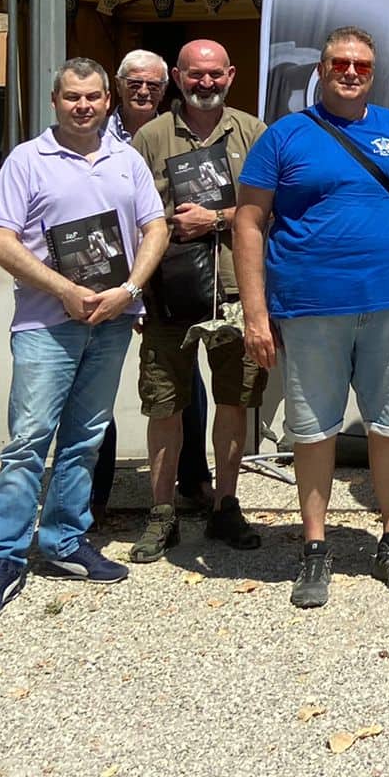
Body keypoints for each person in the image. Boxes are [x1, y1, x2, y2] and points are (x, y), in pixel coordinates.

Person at [233, 27, 389, 606]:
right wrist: (255, 312)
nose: (350, 72)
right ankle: (315, 546)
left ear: (373, 73)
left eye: (361, 65)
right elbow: (248, 223)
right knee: (312, 430)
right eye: (340, 63)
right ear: (321, 70)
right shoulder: (284, 135)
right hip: (310, 309)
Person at [0, 59, 168, 623]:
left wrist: (129, 290)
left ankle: (63, 540)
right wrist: (64, 290)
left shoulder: (126, 159)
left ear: (108, 101)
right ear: (55, 100)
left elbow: (155, 227)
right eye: (73, 97)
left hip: (111, 320)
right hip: (46, 325)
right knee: (29, 441)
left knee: (85, 438)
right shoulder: (27, 160)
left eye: (93, 97)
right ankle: (4, 556)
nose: (83, 106)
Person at [126, 39, 268, 563]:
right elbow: (132, 215)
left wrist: (216, 219)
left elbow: (273, 208)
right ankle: (162, 513)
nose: (205, 83)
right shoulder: (150, 137)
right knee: (164, 403)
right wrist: (136, 290)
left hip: (238, 289)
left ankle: (225, 505)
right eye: (194, 74)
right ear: (177, 77)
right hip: (170, 295)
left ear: (231, 75)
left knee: (234, 401)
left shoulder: (254, 132)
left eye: (214, 74)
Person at [94, 48, 210, 520]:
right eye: (135, 83)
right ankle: (94, 494)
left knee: (183, 383)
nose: (144, 91)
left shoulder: (179, 135)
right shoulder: (91, 133)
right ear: (118, 85)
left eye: (154, 85)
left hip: (170, 280)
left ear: (168, 87)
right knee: (97, 384)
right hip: (105, 275)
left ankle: (194, 478)